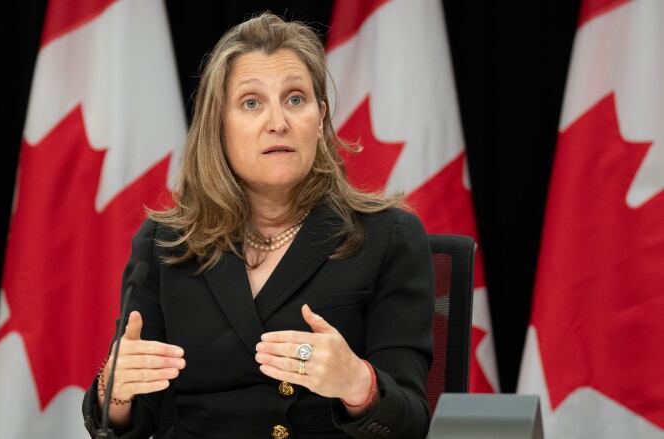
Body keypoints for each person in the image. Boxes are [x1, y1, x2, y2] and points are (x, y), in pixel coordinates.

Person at [82, 12, 434, 439]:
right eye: (252, 103)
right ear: (219, 125)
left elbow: (413, 424)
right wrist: (114, 390)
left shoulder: (385, 236)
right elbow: (128, 424)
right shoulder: (166, 244)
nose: (278, 122)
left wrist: (359, 385)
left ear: (320, 119)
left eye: (296, 99)